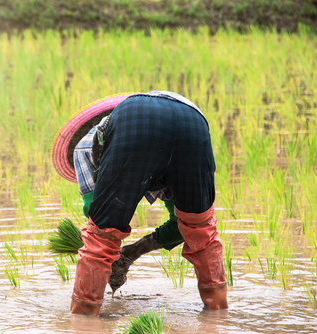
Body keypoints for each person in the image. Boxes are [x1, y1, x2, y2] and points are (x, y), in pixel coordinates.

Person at [51, 91, 228, 317]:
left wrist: (112, 254)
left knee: (101, 236)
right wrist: (132, 252)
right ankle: (219, 315)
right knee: (200, 229)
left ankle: (83, 320)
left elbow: (97, 220)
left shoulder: (84, 148)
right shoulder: (151, 127)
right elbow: (182, 227)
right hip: (194, 121)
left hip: (137, 122)